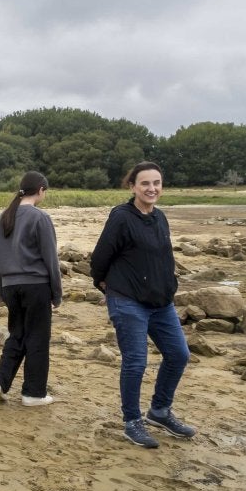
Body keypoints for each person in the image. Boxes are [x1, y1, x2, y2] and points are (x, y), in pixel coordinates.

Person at [90, 161, 195, 448]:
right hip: (127, 300)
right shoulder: (121, 217)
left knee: (178, 354)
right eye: (145, 183)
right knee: (136, 361)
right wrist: (102, 282)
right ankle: (132, 421)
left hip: (161, 302)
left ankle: (159, 411)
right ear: (132, 186)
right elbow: (100, 256)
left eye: (156, 183)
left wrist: (169, 286)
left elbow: (163, 257)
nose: (152, 188)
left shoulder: (160, 218)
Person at [0, 171, 62, 406]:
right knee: (38, 339)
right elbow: (50, 259)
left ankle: (0, 380)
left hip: (10, 286)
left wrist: (2, 288)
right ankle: (34, 393)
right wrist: (56, 293)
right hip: (35, 286)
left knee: (17, 334)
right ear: (41, 190)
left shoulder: (3, 217)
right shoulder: (40, 217)